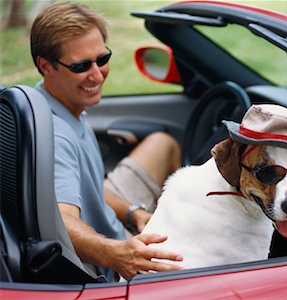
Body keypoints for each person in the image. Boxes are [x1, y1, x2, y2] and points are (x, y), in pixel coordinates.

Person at [30, 2, 183, 281]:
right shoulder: (56, 135)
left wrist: (132, 213)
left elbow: (88, 187)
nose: (97, 74)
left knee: (163, 143)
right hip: (107, 259)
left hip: (112, 225)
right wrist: (117, 254)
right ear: (46, 66)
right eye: (81, 66)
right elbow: (61, 221)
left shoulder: (55, 103)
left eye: (102, 59)